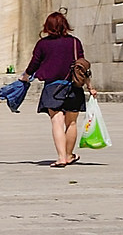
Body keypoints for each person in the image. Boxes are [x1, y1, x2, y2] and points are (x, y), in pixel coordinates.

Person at [25, 11, 91, 166]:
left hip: (53, 88)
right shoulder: (75, 42)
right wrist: (89, 85)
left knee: (57, 121)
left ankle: (61, 157)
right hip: (74, 87)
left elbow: (35, 63)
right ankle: (68, 155)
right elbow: (82, 64)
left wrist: (26, 75)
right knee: (72, 123)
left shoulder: (43, 44)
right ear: (65, 25)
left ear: (47, 27)